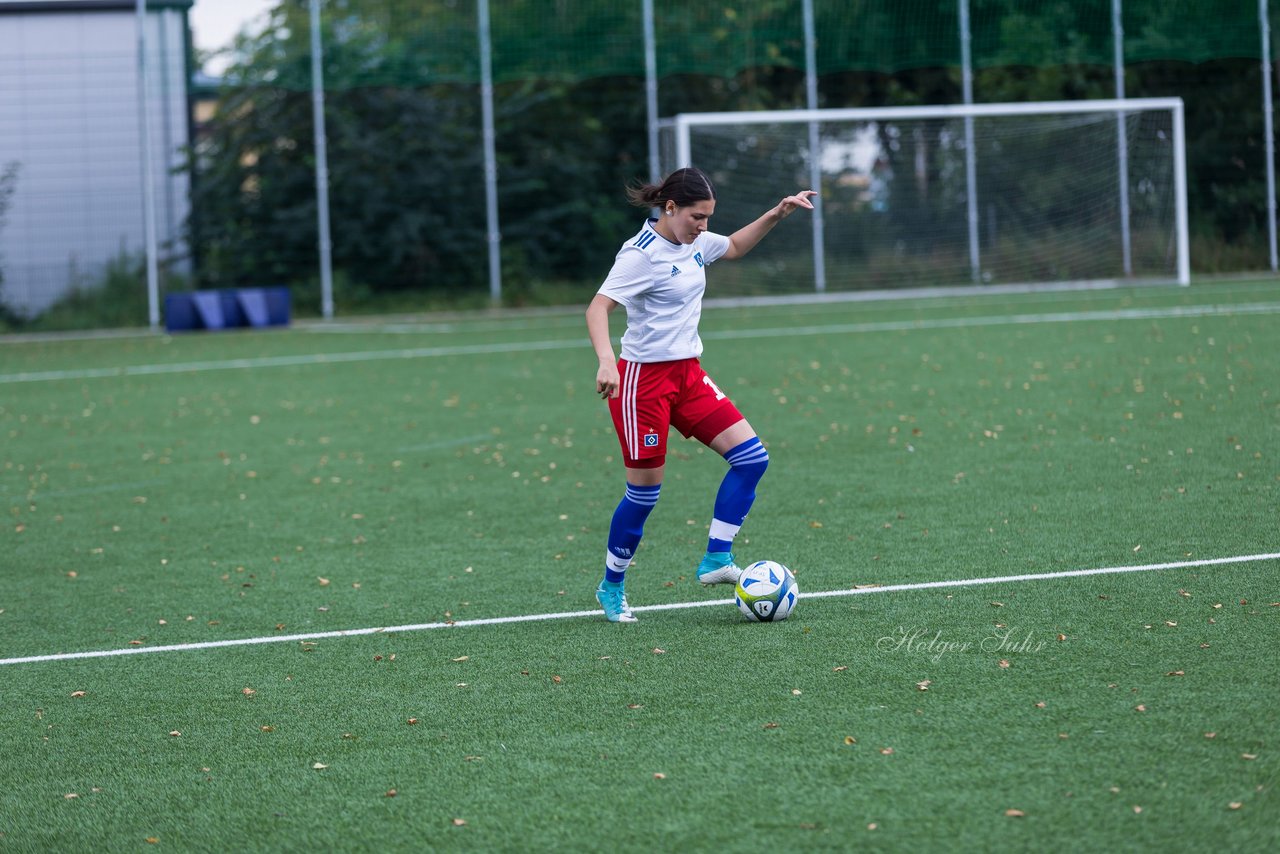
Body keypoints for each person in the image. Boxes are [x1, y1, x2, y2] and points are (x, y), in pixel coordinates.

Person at [585, 166, 817, 622]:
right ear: (669, 208)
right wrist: (607, 361)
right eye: (697, 216)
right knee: (644, 495)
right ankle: (611, 585)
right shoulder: (639, 255)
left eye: (709, 217)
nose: (703, 226)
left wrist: (777, 213)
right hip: (641, 384)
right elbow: (599, 307)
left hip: (688, 376)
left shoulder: (696, 243)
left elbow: (732, 247)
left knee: (752, 458)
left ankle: (716, 559)